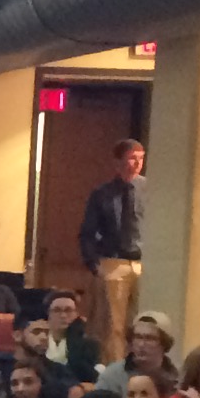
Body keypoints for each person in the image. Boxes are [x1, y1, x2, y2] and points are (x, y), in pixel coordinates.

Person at [76, 134, 146, 364]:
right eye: (131, 158)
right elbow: (87, 232)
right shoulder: (102, 194)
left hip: (143, 262)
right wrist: (95, 265)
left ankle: (140, 366)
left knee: (141, 322)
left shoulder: (151, 190)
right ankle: (116, 368)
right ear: (117, 163)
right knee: (113, 327)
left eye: (140, 158)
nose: (137, 163)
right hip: (114, 262)